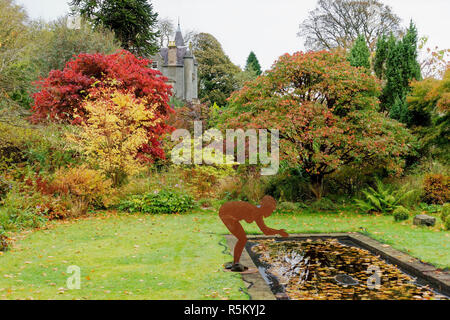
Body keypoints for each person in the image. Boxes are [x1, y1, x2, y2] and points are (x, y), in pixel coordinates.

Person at [219, 195, 289, 272]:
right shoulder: (254, 210)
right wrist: (278, 232)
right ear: (266, 208)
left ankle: (236, 263)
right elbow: (249, 220)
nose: (271, 213)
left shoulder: (257, 212)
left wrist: (278, 232)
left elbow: (265, 231)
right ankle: (236, 264)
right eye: (271, 210)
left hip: (228, 212)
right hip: (226, 212)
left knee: (242, 238)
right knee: (242, 239)